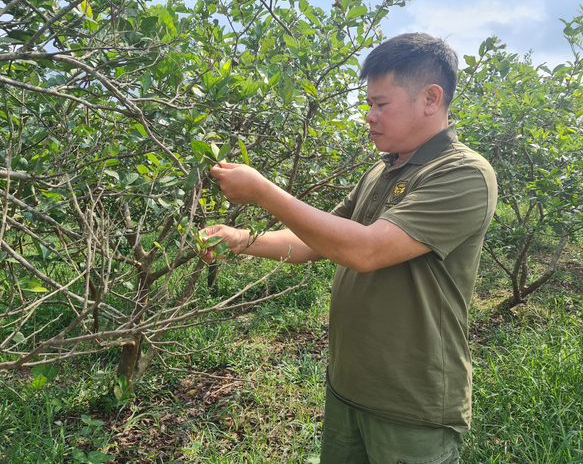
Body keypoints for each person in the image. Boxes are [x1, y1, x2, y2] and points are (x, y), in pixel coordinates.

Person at [199, 33, 497, 464]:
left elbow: (366, 251)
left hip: (412, 403)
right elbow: (314, 241)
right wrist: (240, 241)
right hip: (349, 386)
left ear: (431, 98)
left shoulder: (464, 174)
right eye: (368, 104)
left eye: (381, 104)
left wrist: (263, 191)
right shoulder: (383, 169)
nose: (369, 117)